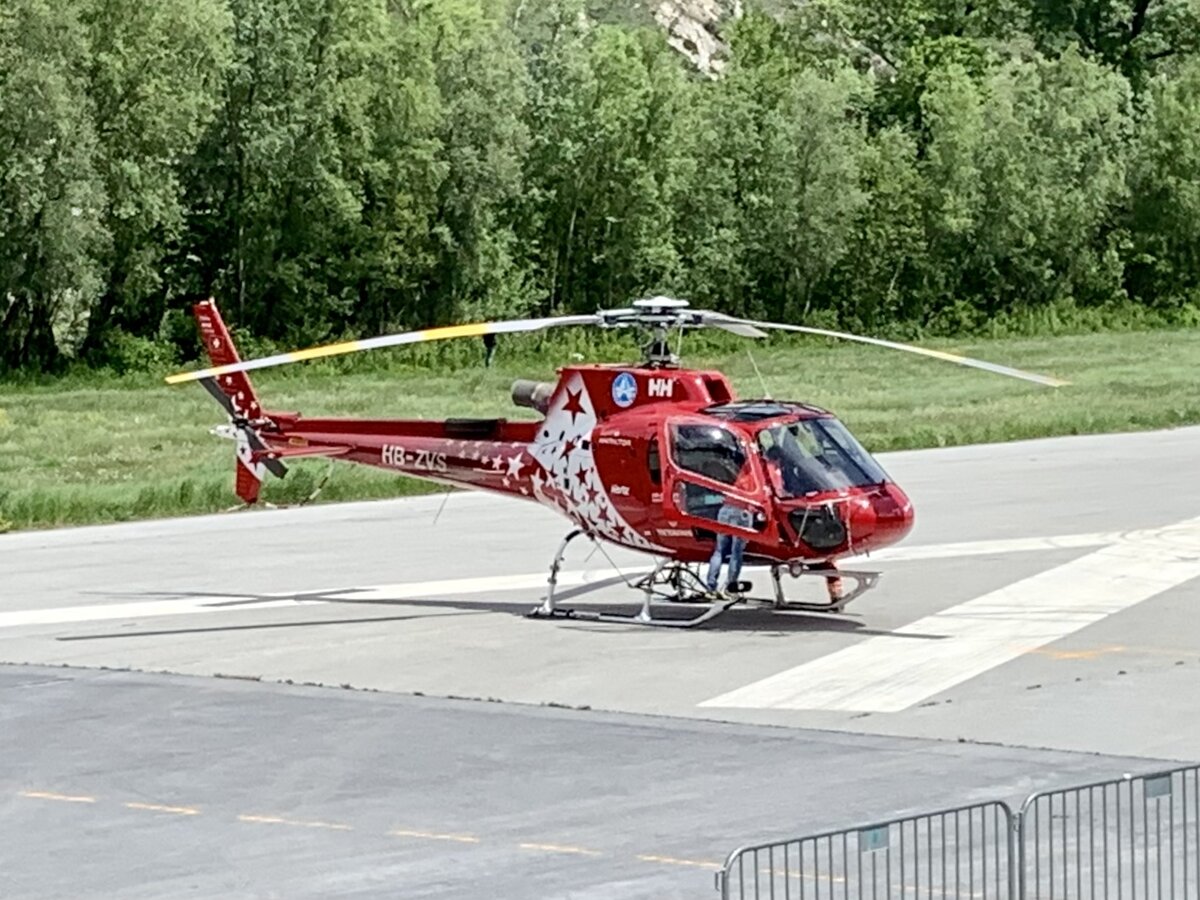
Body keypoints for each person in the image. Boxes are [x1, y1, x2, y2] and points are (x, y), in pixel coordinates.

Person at [706, 498, 753, 596]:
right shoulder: (758, 483)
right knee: (736, 551)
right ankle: (731, 587)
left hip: (724, 511)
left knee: (719, 551)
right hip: (742, 511)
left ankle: (711, 586)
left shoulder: (738, 482)